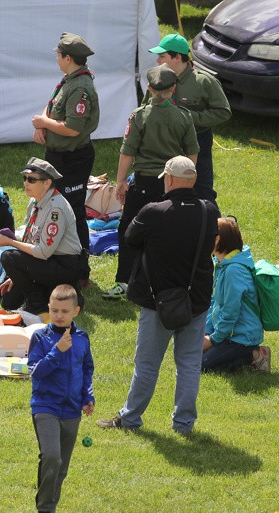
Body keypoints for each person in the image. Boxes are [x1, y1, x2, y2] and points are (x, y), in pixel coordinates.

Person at [97, 156, 219, 434]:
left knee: (147, 364)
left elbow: (129, 238)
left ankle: (130, 419)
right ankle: (184, 424)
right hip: (195, 300)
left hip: (157, 300)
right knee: (189, 363)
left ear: (171, 179)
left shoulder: (154, 211)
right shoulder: (208, 210)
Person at [103, 64, 199, 300]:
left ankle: (125, 281)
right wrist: (187, 180)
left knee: (130, 231)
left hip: (144, 183)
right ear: (173, 88)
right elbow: (192, 154)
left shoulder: (139, 116)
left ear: (149, 88)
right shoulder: (184, 117)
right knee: (170, 232)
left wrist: (121, 181)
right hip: (173, 184)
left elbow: (127, 153)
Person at [32, 33, 99, 284]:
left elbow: (72, 128)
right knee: (52, 208)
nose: (57, 58)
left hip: (73, 159)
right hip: (57, 157)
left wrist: (44, 123)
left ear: (68, 58)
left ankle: (81, 272)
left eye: (59, 54)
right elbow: (52, 105)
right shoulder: (69, 80)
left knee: (73, 211)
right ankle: (55, 260)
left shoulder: (80, 87)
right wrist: (42, 125)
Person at [27, 284, 94, 513]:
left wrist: (87, 396)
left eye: (65, 311)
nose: (59, 316)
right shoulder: (41, 337)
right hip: (45, 406)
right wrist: (57, 350)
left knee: (61, 467)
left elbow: (86, 369)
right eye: (54, 310)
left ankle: (50, 506)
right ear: (49, 308)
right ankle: (44, 508)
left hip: (72, 410)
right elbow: (35, 372)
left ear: (76, 311)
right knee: (52, 458)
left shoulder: (83, 338)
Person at [0, 158, 84, 315]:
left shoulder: (56, 209)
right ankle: (51, 293)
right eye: (25, 178)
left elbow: (43, 252)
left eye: (32, 180)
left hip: (64, 265)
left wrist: (11, 242)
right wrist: (15, 277)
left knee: (9, 257)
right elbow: (29, 239)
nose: (26, 183)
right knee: (8, 302)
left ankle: (38, 302)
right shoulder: (35, 202)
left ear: (47, 183)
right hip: (47, 262)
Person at [148, 33, 231, 207]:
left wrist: (188, 117)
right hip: (164, 141)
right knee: (163, 189)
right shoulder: (158, 78)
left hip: (197, 142)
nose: (157, 61)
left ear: (177, 57)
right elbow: (147, 106)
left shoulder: (203, 82)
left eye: (162, 56)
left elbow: (223, 112)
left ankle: (209, 228)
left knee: (202, 191)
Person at [202, 217, 270, 372]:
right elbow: (214, 302)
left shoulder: (234, 271)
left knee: (201, 366)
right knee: (190, 353)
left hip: (241, 338)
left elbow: (231, 311)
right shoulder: (221, 264)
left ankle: (256, 355)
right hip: (227, 333)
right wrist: (206, 332)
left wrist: (212, 340)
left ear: (217, 239)